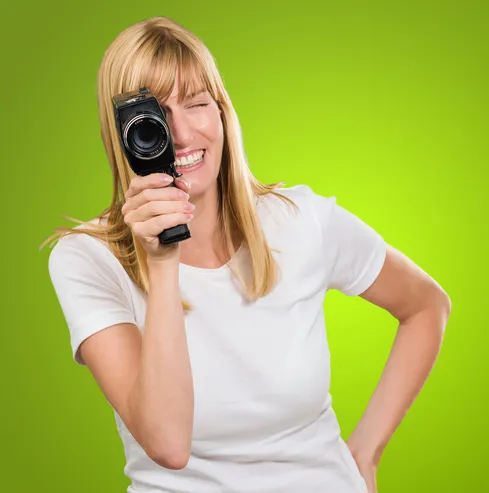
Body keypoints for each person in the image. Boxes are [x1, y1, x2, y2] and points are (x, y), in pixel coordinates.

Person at [46, 16, 451, 493]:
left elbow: (427, 305)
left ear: (222, 114)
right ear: (122, 134)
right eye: (154, 117)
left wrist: (365, 452)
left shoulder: (300, 221)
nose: (179, 134)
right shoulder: (86, 260)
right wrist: (162, 260)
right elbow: (168, 444)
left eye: (196, 104)